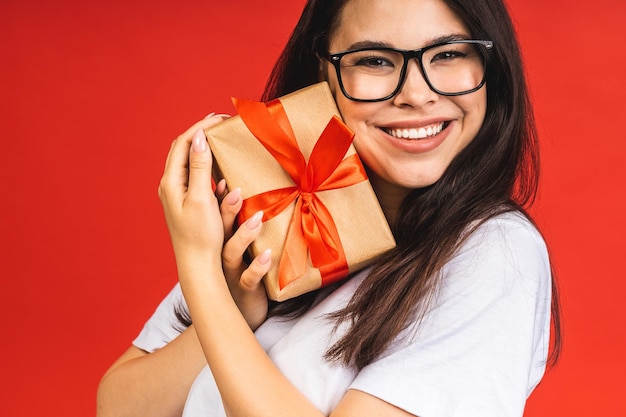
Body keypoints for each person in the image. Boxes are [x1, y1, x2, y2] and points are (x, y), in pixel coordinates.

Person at [97, 0, 562, 415]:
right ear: (325, 71)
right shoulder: (275, 207)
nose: (416, 94)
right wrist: (234, 309)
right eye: (375, 60)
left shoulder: (495, 252)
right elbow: (119, 407)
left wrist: (198, 267)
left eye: (448, 53)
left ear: (490, 63)